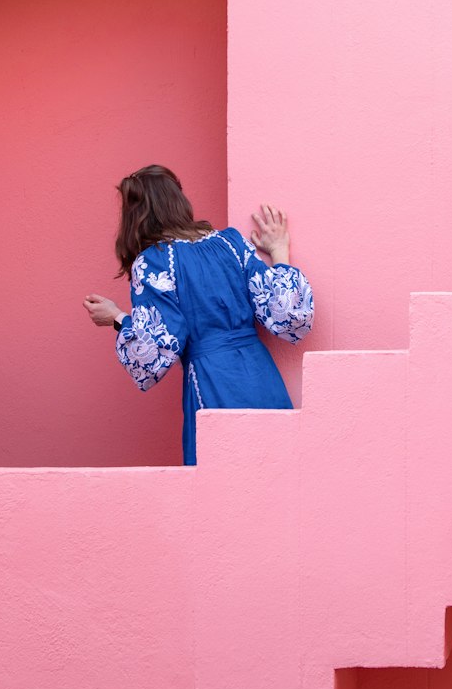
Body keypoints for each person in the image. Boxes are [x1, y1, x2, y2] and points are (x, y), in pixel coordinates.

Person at [83, 164, 313, 464]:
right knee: (277, 469)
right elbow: (288, 314)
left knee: (225, 485)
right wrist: (280, 250)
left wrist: (117, 318)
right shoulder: (230, 243)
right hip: (261, 374)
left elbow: (151, 352)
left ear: (135, 215)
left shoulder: (153, 262)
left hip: (212, 380)